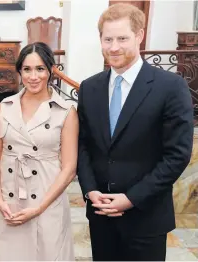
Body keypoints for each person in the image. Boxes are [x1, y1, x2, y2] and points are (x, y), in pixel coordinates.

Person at [77, 3, 194, 261]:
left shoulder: (170, 87)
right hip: (100, 215)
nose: (114, 47)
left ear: (139, 36)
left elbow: (177, 155)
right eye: (108, 39)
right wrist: (90, 191)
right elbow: (83, 145)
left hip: (146, 218)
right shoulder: (89, 88)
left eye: (122, 38)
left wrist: (131, 198)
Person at [0, 42, 78, 260]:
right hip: (11, 201)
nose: (33, 76)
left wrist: (40, 207)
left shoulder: (65, 111)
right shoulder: (6, 106)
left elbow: (69, 167)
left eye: (40, 69)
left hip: (47, 200)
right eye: (27, 69)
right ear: (19, 71)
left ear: (50, 71)